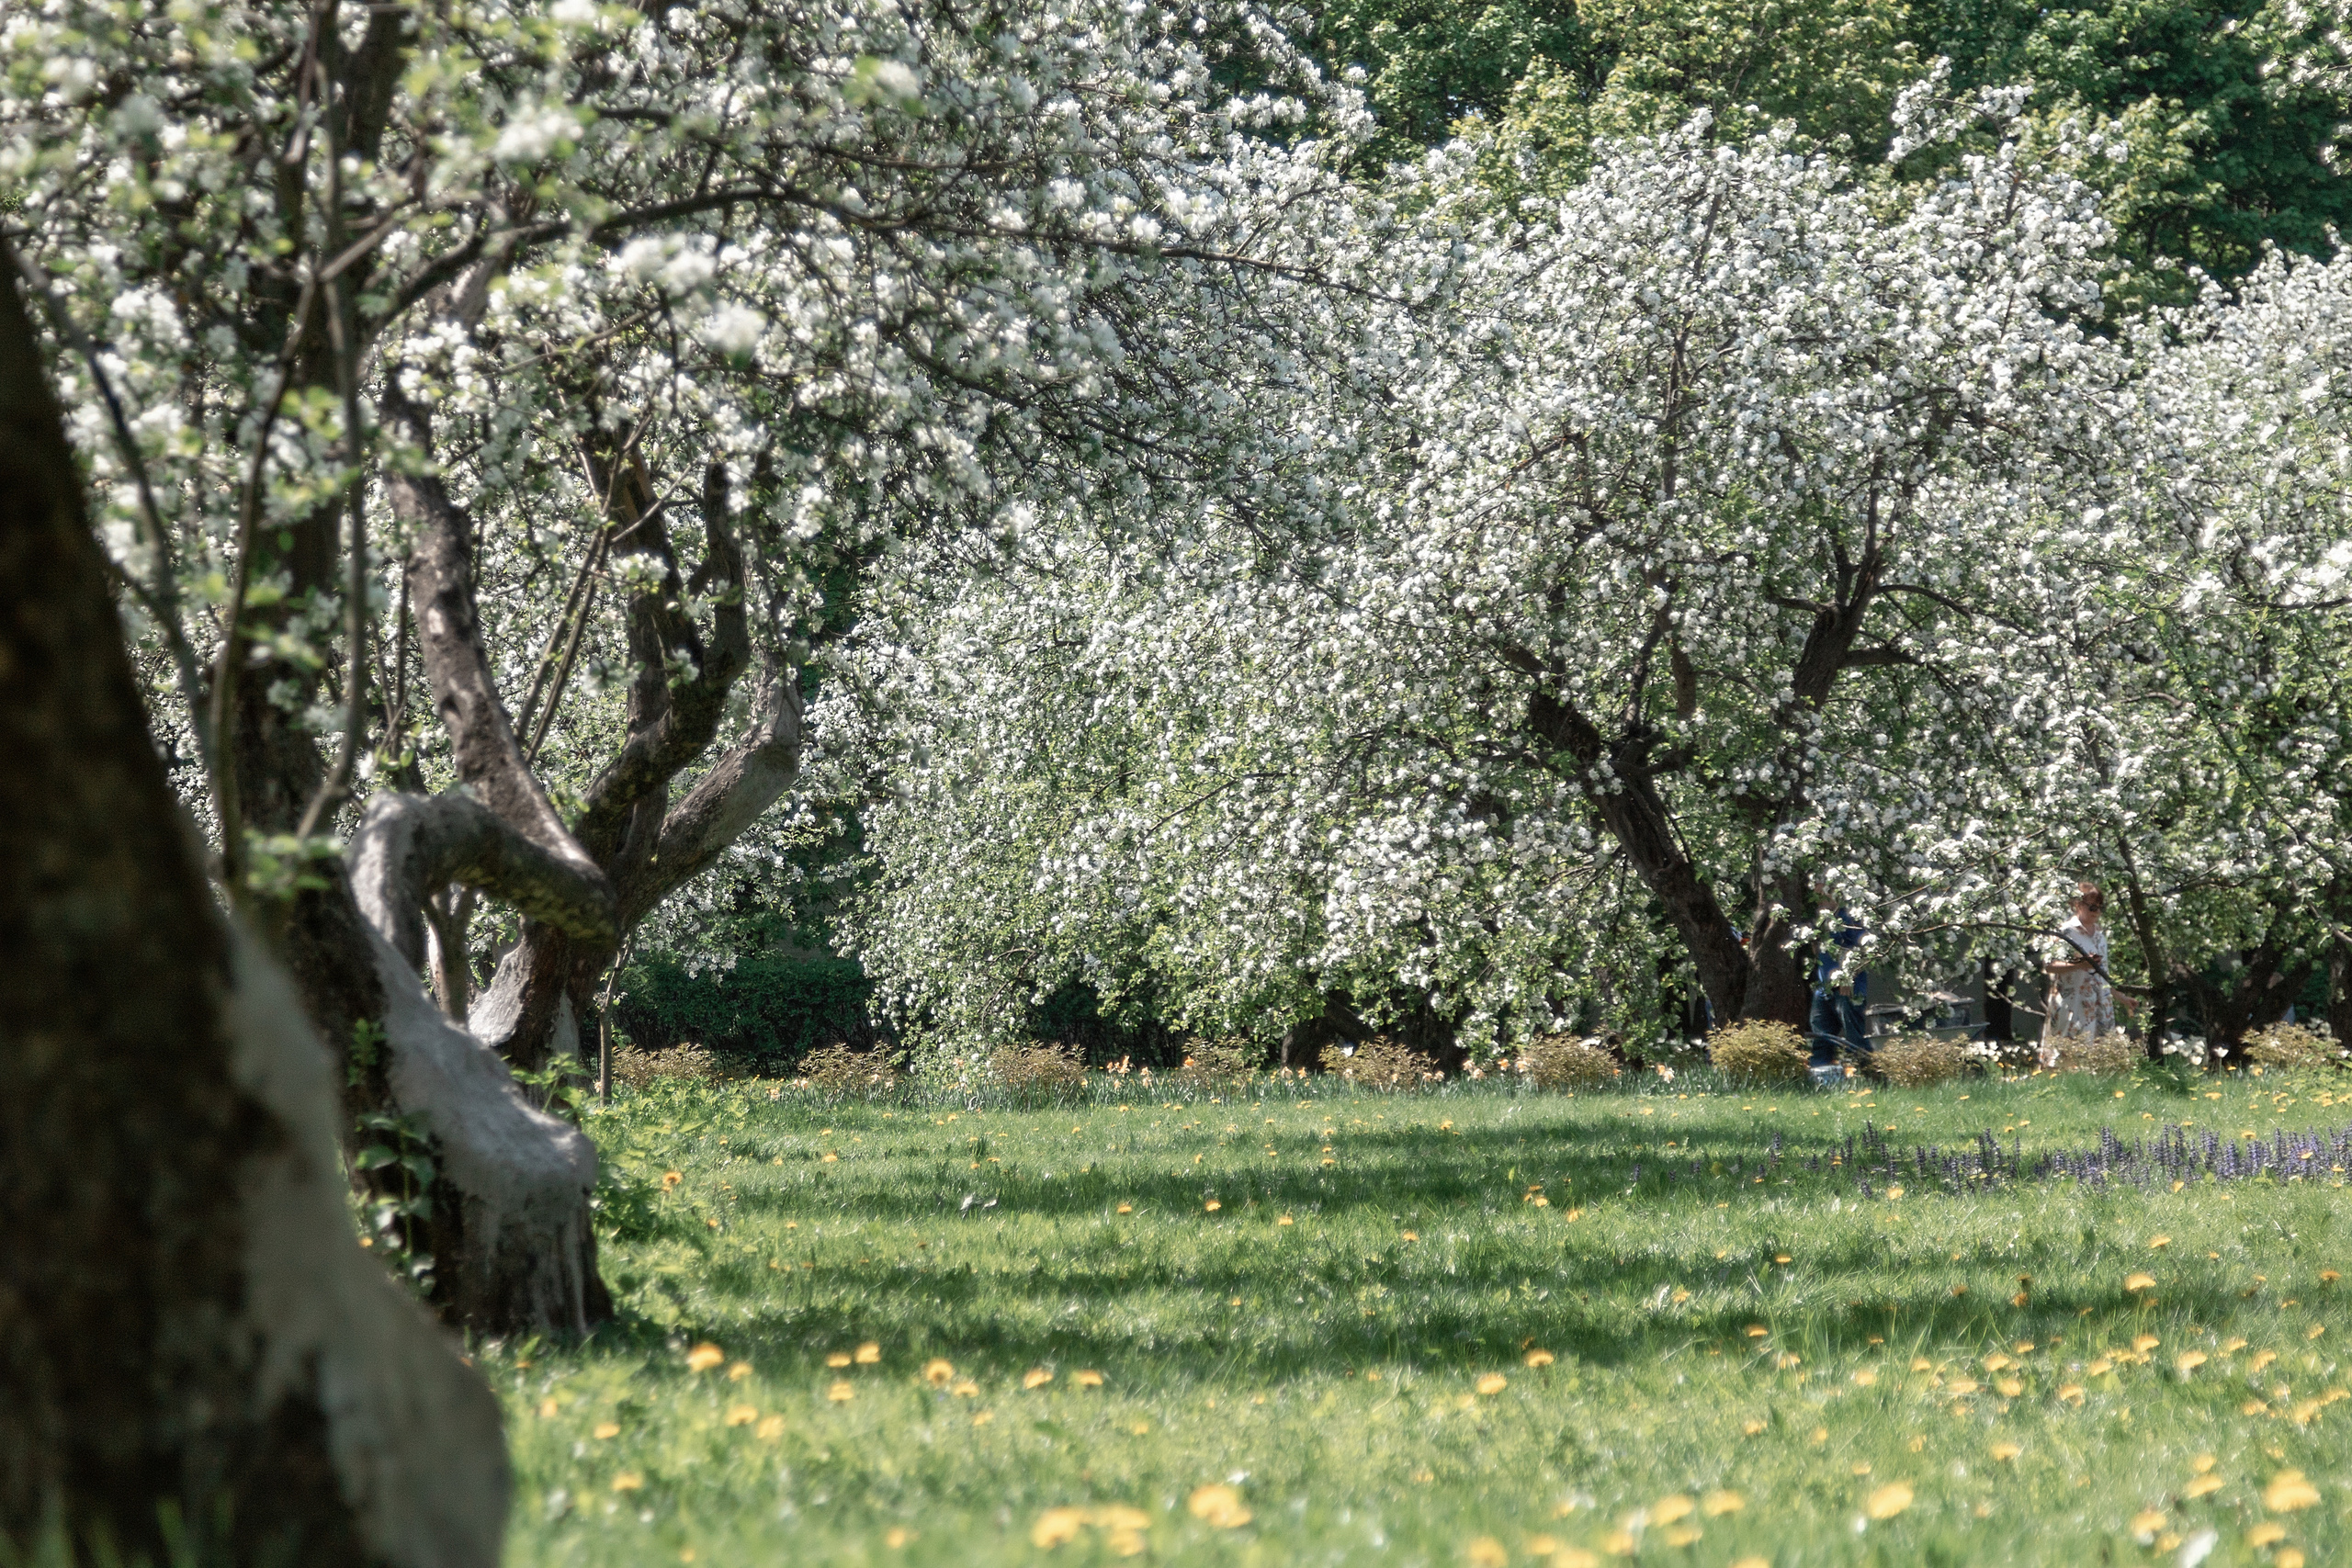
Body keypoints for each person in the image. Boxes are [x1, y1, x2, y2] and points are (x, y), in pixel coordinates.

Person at [2040, 882, 2114, 1067]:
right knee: (2066, 1057)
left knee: (2099, 1059)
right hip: (2072, 1003)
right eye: (2092, 907)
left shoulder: (2100, 936)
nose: (2097, 912)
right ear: (2077, 905)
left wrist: (2122, 997)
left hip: (2100, 1005)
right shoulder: (2065, 932)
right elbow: (2049, 965)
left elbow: (2104, 974)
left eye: (2100, 907)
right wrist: (2080, 964)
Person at [1810, 912, 1871, 1083]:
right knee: (1821, 1038)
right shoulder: (1817, 917)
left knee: (1854, 1038)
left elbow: (1866, 950)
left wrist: (1848, 976)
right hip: (1824, 989)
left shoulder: (1848, 916)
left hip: (1847, 988)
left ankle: (1867, 1079)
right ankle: (1820, 1083)